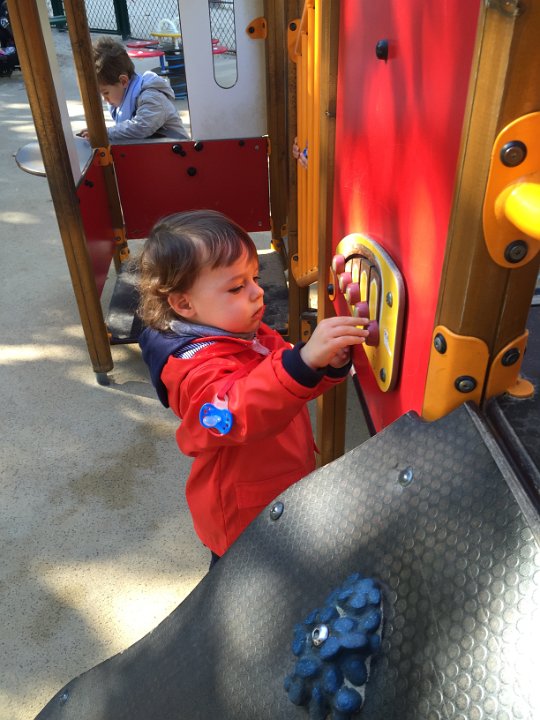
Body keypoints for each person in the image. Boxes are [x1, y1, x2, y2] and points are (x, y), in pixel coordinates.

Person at [138, 210, 370, 566]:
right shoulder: (195, 369)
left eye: (255, 278)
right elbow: (237, 409)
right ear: (184, 304)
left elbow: (285, 389)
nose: (258, 292)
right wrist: (302, 360)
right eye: (236, 287)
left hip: (280, 486)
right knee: (242, 587)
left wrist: (323, 367)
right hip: (244, 516)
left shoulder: (248, 333)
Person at [80, 36, 188, 142]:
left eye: (106, 93)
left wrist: (105, 133)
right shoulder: (119, 101)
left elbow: (141, 127)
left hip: (177, 149)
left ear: (123, 81)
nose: (104, 99)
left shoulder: (152, 97)